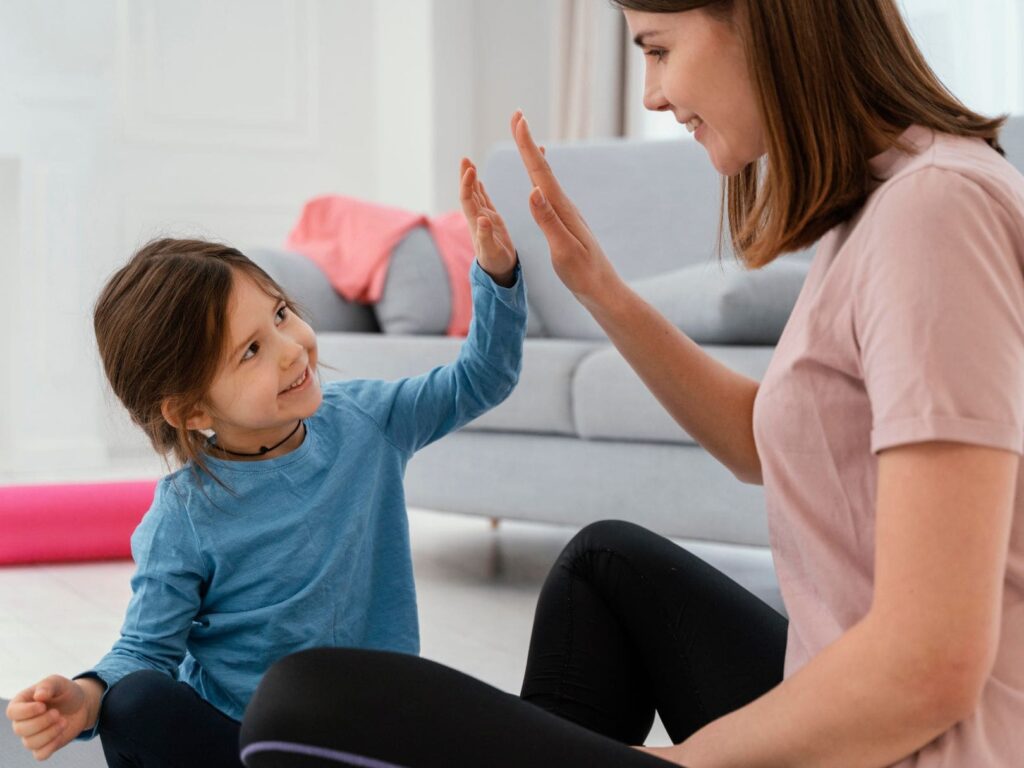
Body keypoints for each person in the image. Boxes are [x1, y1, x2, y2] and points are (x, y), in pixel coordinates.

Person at [239, 1, 1024, 767]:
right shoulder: (889, 203)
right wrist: (600, 289)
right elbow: (769, 444)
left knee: (300, 700)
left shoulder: (935, 215)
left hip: (932, 745)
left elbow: (930, 663)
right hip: (864, 707)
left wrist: (688, 761)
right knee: (604, 570)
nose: (651, 93)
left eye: (656, 48)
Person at [4, 158, 527, 766]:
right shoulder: (186, 515)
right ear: (191, 408)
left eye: (280, 315)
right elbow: (145, 651)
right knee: (135, 704)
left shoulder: (368, 420)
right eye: (251, 351)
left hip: (372, 726)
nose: (290, 349)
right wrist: (87, 695)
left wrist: (497, 273)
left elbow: (482, 379)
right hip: (246, 744)